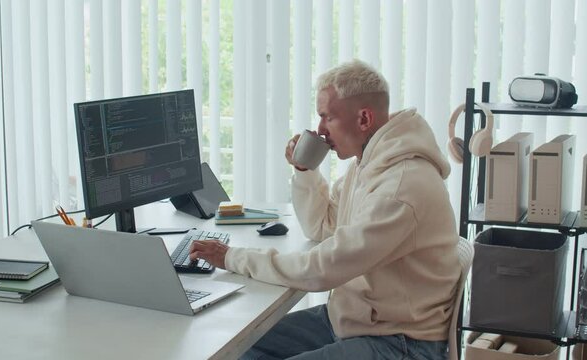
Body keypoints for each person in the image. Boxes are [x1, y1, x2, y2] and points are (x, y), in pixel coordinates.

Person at [189, 59, 460, 359]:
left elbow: (323, 269)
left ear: (364, 119)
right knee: (235, 349)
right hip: (355, 321)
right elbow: (323, 225)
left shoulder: (400, 187)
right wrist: (305, 170)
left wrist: (231, 256)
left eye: (327, 117)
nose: (319, 130)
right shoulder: (372, 161)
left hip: (399, 341)